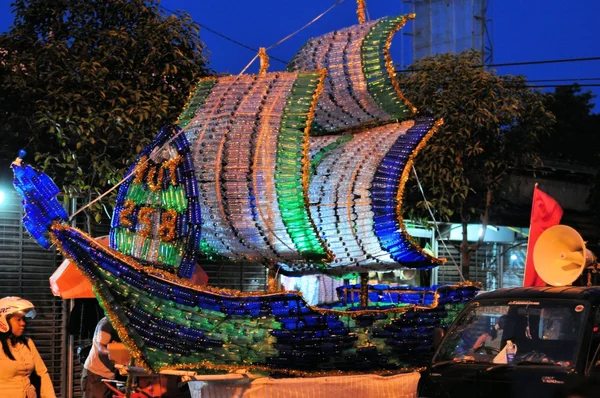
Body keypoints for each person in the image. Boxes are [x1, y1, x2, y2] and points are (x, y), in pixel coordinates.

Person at [0, 296, 56, 398]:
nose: (23, 323)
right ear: (3, 321)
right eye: (18, 320)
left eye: (24, 319)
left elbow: (43, 373)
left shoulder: (27, 343)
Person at [81, 316, 120, 398]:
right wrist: (115, 352)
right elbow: (101, 348)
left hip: (107, 375)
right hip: (96, 374)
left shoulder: (119, 323)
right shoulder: (107, 324)